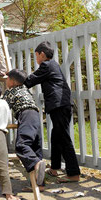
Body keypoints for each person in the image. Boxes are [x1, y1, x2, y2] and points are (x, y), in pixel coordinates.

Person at [24, 41, 80, 183]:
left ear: (42, 55)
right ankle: (54, 168)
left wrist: (16, 78)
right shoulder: (53, 64)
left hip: (59, 105)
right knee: (56, 136)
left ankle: (73, 173)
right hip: (62, 104)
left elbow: (31, 80)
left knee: (64, 138)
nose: (36, 60)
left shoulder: (46, 65)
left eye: (36, 56)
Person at [4, 69, 46, 190]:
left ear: (11, 81)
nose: (6, 81)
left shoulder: (10, 91)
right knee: (35, 148)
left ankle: (37, 164)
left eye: (7, 79)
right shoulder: (25, 89)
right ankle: (39, 184)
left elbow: (3, 106)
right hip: (36, 116)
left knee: (22, 145)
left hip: (26, 115)